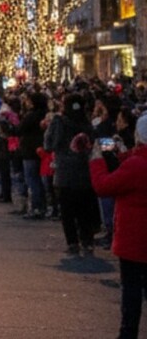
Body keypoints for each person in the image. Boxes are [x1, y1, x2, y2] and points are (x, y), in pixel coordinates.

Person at [89, 114, 147, 339]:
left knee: (132, 289)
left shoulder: (135, 165)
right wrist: (122, 153)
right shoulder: (134, 162)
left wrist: (96, 161)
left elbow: (103, 186)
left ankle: (128, 333)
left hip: (134, 237)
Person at [46, 93, 97, 255]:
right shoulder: (87, 123)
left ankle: (73, 242)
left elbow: (49, 144)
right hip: (85, 171)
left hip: (64, 173)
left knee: (67, 210)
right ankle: (87, 241)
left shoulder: (59, 121)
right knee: (84, 209)